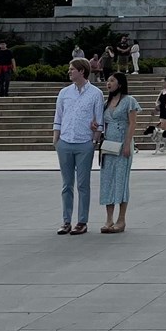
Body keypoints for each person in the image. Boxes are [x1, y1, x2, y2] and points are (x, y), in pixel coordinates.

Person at [53, 58, 104, 236]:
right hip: (65, 142)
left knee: (83, 184)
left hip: (84, 143)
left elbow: (99, 121)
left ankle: (82, 221)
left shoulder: (95, 93)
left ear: (82, 71)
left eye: (72, 69)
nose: (69, 72)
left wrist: (94, 141)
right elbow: (58, 117)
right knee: (67, 184)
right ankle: (66, 221)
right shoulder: (64, 93)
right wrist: (56, 141)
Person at [97, 72, 140, 233]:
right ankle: (108, 219)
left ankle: (121, 219)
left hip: (122, 143)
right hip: (108, 144)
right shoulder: (105, 103)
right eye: (107, 80)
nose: (108, 83)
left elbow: (132, 123)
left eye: (112, 80)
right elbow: (103, 124)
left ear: (120, 84)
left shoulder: (129, 101)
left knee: (121, 181)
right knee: (107, 180)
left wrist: (128, 144)